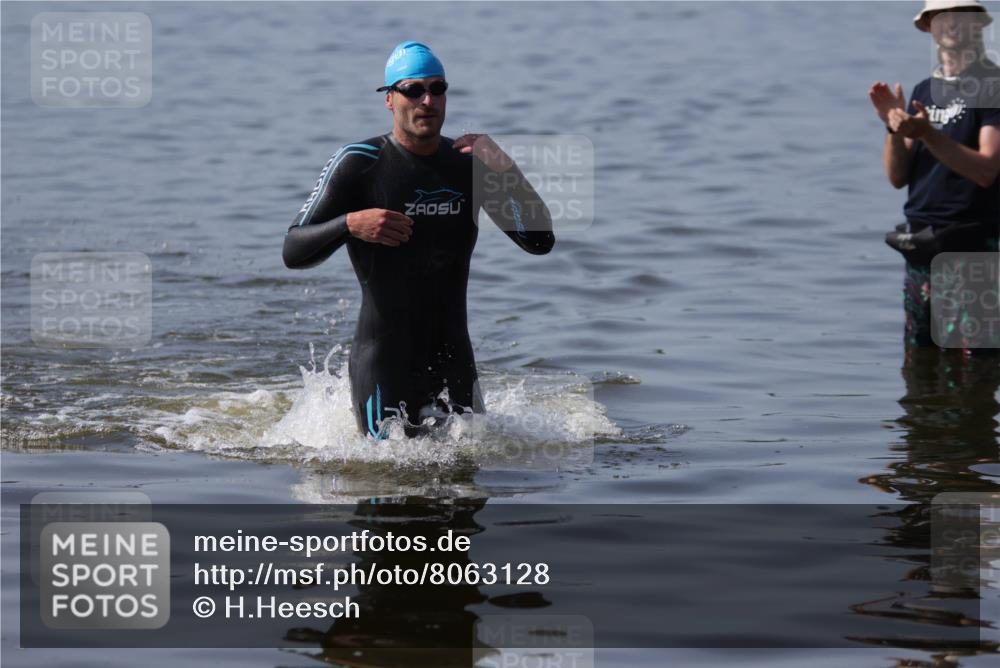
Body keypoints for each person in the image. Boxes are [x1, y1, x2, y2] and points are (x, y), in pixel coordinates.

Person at [282, 42, 554, 439]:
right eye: (413, 90)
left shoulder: (468, 164)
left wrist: (507, 170)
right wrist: (349, 224)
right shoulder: (359, 163)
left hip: (454, 361)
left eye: (437, 88)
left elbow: (540, 240)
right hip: (382, 365)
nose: (427, 100)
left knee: (468, 472)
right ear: (389, 99)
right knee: (386, 475)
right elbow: (293, 249)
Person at [868, 0, 1000, 348]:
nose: (951, 23)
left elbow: (987, 170)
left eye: (961, 15)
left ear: (978, 24)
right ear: (928, 25)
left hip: (973, 250)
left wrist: (928, 133)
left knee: (974, 367)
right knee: (918, 362)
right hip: (921, 246)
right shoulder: (924, 91)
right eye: (941, 16)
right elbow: (897, 177)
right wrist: (893, 127)